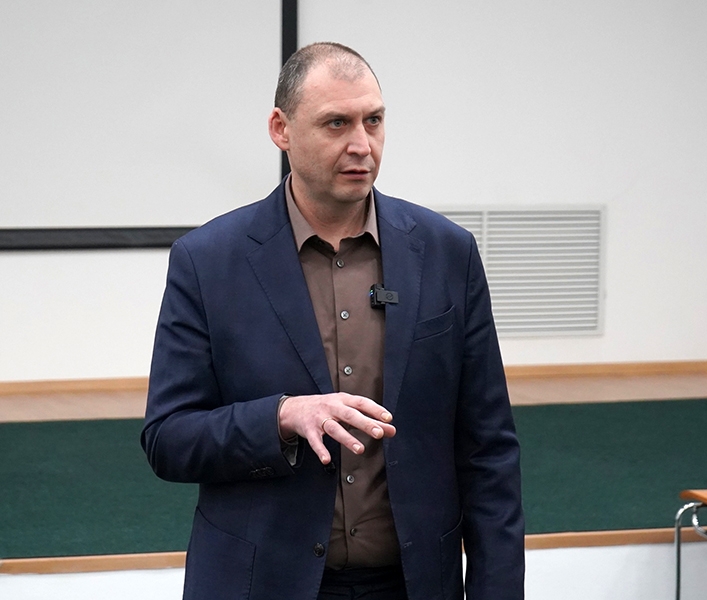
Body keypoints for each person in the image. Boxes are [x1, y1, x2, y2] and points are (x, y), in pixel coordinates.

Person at [142, 41, 524, 600]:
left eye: (374, 121)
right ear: (281, 129)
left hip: (414, 583)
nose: (361, 145)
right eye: (336, 123)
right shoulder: (208, 262)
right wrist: (281, 417)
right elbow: (169, 438)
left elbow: (488, 450)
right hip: (262, 584)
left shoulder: (447, 253)